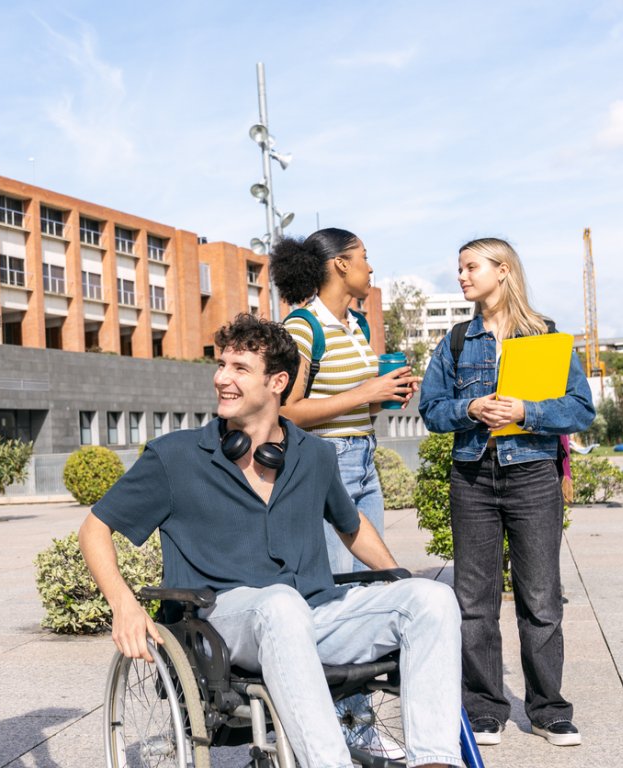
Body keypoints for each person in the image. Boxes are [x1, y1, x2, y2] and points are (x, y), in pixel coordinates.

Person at [79, 313, 464, 768]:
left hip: (314, 614)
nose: (222, 378)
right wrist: (123, 603)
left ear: (277, 381)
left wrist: (395, 578)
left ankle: (435, 761)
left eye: (239, 368)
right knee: (279, 603)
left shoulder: (314, 455)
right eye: (221, 365)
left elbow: (352, 525)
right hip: (222, 624)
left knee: (432, 599)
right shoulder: (175, 456)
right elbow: (94, 528)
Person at [419, 237, 594, 748]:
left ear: (503, 271)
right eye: (460, 269)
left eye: (471, 267)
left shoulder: (546, 336)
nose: (462, 276)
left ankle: (548, 709)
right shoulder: (455, 341)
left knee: (540, 598)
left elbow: (581, 408)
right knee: (474, 600)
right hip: (472, 477)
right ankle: (485, 708)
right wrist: (470, 409)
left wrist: (526, 412)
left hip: (533, 476)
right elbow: (431, 410)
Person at [270, 228, 418, 573]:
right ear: (340, 264)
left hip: (365, 458)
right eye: (363, 257)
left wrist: (386, 395)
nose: (370, 268)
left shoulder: (358, 325)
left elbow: (357, 406)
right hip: (327, 461)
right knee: (337, 579)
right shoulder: (303, 326)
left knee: (370, 577)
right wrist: (367, 392)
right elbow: (286, 413)